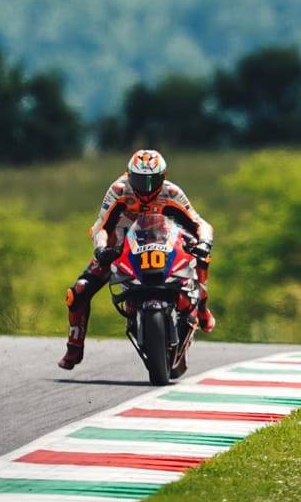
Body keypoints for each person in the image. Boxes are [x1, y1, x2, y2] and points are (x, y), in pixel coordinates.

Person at [59, 148, 214, 370]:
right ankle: (74, 348)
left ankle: (201, 307)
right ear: (130, 175)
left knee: (200, 253)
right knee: (79, 292)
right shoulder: (119, 190)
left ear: (164, 176)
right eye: (141, 180)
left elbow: (200, 223)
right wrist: (101, 249)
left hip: (163, 243)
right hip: (121, 246)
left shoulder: (171, 193)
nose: (147, 188)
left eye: (153, 180)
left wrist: (204, 242)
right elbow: (101, 226)